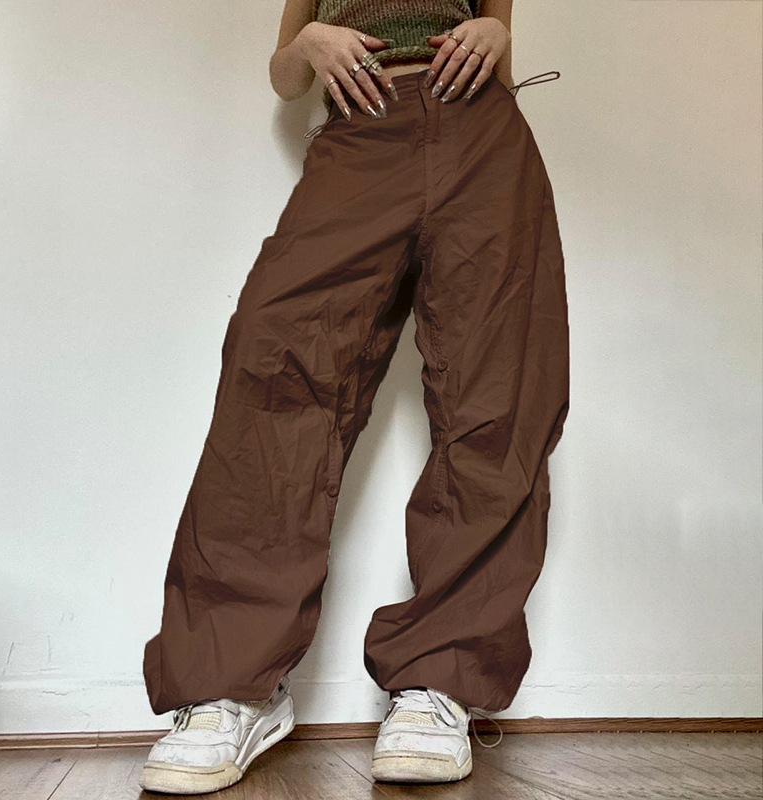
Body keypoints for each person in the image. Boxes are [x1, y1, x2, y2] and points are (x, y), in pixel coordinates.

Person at [139, 0, 569, 793]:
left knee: (495, 397)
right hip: (360, 134)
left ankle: (439, 681)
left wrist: (495, 33)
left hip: (482, 135)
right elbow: (285, 75)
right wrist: (309, 41)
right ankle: (233, 685)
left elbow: (500, 56)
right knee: (273, 369)